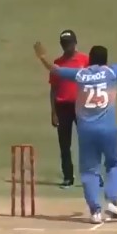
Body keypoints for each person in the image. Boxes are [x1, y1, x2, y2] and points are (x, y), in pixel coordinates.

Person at [34, 32, 117, 223]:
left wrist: (42, 57)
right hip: (109, 129)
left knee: (89, 171)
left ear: (90, 60)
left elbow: (55, 70)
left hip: (86, 131)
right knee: (113, 164)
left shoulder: (81, 74)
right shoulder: (112, 72)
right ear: (105, 60)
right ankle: (112, 202)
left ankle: (95, 211)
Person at [49, 30, 89, 188]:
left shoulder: (85, 59)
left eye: (70, 43)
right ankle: (68, 177)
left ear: (75, 43)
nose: (67, 46)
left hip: (82, 106)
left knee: (87, 142)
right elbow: (53, 89)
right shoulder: (57, 63)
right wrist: (53, 112)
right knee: (64, 145)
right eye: (64, 44)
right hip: (62, 107)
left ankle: (91, 176)